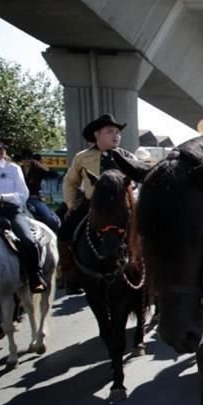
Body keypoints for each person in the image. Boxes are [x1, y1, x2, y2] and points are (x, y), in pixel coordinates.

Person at [59, 113, 138, 292]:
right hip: (92, 205)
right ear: (97, 134)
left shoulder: (127, 156)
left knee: (145, 232)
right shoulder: (82, 157)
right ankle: (69, 274)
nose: (116, 135)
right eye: (110, 131)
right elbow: (70, 181)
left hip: (121, 207)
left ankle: (143, 271)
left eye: (118, 132)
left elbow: (136, 183)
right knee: (65, 231)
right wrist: (71, 205)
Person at [0, 136, 46, 292]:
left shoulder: (13, 169)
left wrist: (2, 197)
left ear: (4, 150)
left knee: (28, 240)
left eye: (0, 148)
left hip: (11, 210)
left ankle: (35, 277)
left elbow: (22, 194)